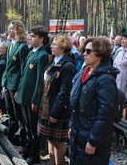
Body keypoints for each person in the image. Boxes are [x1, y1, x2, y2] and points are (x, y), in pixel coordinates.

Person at [68, 37, 119, 165]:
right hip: (79, 132)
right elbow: (76, 104)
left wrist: (93, 140)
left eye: (89, 51)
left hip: (92, 136)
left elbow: (105, 113)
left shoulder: (105, 79)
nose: (84, 54)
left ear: (100, 53)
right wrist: (71, 125)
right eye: (84, 50)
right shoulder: (84, 72)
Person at [37, 35, 77, 165]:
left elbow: (64, 92)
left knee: (58, 142)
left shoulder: (67, 66)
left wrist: (54, 112)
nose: (51, 46)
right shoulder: (54, 61)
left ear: (63, 47)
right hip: (48, 106)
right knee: (50, 139)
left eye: (54, 44)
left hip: (57, 110)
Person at [15, 26, 49, 164]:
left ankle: (34, 155)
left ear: (41, 39)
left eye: (33, 36)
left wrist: (36, 100)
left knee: (34, 128)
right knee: (27, 126)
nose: (30, 38)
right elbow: (24, 75)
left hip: (31, 98)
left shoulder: (42, 55)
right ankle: (28, 150)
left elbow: (39, 81)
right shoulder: (32, 52)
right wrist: (18, 91)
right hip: (24, 94)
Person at [1, 20, 29, 152]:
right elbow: (7, 67)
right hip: (8, 84)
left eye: (12, 28)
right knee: (10, 112)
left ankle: (22, 142)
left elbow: (23, 70)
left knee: (19, 114)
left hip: (16, 85)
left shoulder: (22, 47)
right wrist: (3, 84)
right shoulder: (11, 44)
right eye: (9, 27)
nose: (9, 30)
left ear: (18, 30)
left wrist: (19, 89)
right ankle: (11, 137)